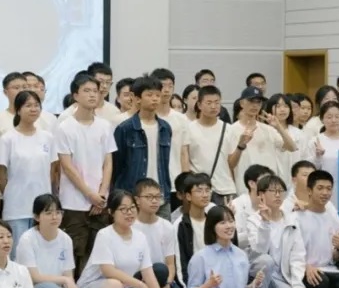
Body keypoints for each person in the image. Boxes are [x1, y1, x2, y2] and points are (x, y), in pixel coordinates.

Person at [76, 190, 167, 288]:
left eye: (132, 208)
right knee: (114, 285)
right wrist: (141, 285)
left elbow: (147, 271)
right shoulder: (104, 235)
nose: (129, 213)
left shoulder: (140, 237)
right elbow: (108, 271)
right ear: (111, 212)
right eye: (123, 209)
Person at [56, 72, 117, 271]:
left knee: (98, 255)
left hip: (100, 202)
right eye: (87, 91)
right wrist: (90, 194)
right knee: (74, 253)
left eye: (95, 91)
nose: (92, 95)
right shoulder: (65, 127)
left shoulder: (105, 126)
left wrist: (102, 194)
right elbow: (67, 166)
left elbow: (108, 162)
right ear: (75, 95)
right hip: (73, 202)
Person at [16, 194, 86, 288]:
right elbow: (34, 277)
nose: (54, 217)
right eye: (48, 213)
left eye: (58, 212)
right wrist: (64, 280)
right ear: (37, 217)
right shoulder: (27, 239)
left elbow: (68, 275)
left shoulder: (66, 239)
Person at [245, 174, 312, 288]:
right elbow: (259, 251)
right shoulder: (253, 220)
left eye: (281, 191)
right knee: (266, 261)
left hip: (281, 278)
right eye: (272, 191)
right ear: (261, 195)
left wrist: (297, 287)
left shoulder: (291, 220)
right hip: (257, 275)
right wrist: (265, 223)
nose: (278, 195)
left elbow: (298, 256)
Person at [0, 90, 58, 251]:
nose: (33, 109)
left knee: (42, 251)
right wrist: (11, 193)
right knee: (17, 252)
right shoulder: (8, 139)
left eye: (37, 105)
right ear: (18, 110)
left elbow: (53, 169)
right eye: (28, 105)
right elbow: (0, 174)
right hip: (16, 206)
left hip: (43, 207)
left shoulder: (47, 137)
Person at [112, 76, 173, 219]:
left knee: (163, 231)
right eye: (149, 95)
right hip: (133, 197)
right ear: (137, 98)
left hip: (161, 195)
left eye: (157, 95)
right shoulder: (125, 128)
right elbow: (116, 166)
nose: (155, 99)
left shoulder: (165, 128)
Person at [133, 178, 189, 288]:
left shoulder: (167, 226)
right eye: (149, 197)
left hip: (163, 278)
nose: (154, 201)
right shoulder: (131, 226)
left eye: (157, 197)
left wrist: (169, 285)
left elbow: (170, 263)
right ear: (137, 200)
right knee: (157, 268)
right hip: (139, 279)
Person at [228, 87, 296, 197]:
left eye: (258, 102)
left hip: (269, 188)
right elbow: (230, 164)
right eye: (251, 101)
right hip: (245, 189)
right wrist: (241, 145)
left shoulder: (268, 129)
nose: (255, 105)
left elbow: (292, 147)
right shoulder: (231, 130)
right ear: (242, 103)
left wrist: (278, 126)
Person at [183, 86, 239, 203]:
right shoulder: (188, 129)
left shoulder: (228, 129)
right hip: (199, 189)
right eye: (209, 103)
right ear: (199, 105)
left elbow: (231, 164)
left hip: (224, 188)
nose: (213, 106)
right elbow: (185, 159)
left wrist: (241, 146)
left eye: (217, 103)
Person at [57, 63, 124, 126]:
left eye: (108, 82)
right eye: (101, 82)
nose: (105, 86)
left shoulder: (114, 112)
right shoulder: (67, 115)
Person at [265, 93, 306, 182]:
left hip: (294, 180)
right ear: (269, 108)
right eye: (278, 106)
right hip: (270, 179)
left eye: (286, 106)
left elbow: (303, 157)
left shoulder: (298, 133)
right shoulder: (265, 131)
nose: (282, 109)